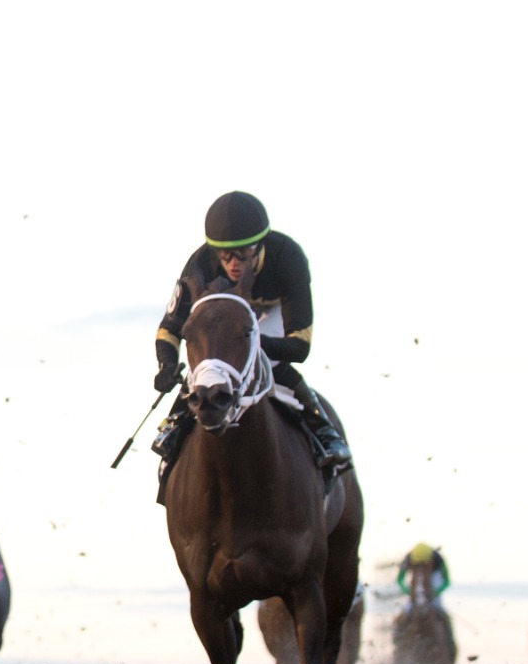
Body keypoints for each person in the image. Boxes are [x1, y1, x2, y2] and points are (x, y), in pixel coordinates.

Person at [150, 191, 350, 474]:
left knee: (268, 361)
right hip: (224, 315)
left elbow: (299, 346)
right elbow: (170, 329)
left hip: (270, 313)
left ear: (261, 244)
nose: (234, 263)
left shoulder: (288, 258)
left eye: (244, 254)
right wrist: (166, 365)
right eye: (225, 255)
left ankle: (324, 429)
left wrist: (251, 344)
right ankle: (174, 423)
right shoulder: (199, 266)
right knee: (209, 363)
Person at [396, 543, 450, 611]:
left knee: (437, 605)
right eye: (418, 563)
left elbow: (447, 581)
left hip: (434, 575)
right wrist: (407, 591)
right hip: (416, 577)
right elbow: (399, 579)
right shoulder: (408, 558)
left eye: (424, 563)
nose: (422, 565)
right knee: (407, 608)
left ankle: (444, 617)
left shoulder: (437, 558)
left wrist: (436, 592)